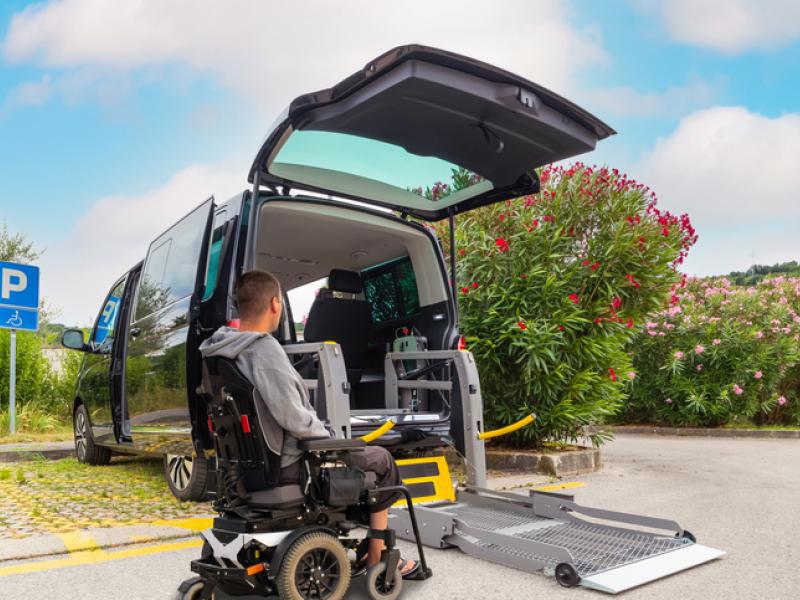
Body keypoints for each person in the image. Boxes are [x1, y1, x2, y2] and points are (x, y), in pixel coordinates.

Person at [199, 269, 420, 577]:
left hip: (244, 469)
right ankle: (376, 558)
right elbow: (294, 417)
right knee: (382, 461)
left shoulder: (219, 352)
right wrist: (330, 439)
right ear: (276, 304)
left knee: (361, 458)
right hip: (286, 466)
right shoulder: (263, 349)